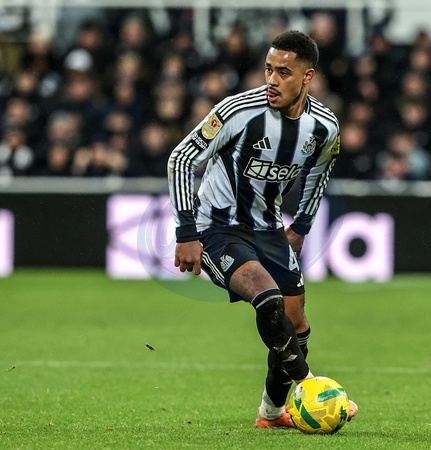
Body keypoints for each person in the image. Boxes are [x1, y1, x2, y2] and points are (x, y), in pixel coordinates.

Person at [167, 30, 357, 429]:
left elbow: (320, 171)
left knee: (296, 322)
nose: (272, 80)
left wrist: (301, 227)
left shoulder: (324, 127)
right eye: (268, 69)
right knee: (268, 298)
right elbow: (181, 159)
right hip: (217, 228)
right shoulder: (237, 112)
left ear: (307, 77)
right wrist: (187, 232)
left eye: (283, 73)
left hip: (269, 227)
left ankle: (270, 415)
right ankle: (312, 385)